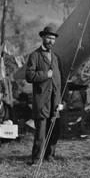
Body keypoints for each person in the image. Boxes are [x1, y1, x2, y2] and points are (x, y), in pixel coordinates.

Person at [25, 25, 65, 164]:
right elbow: (29, 76)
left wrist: (60, 100)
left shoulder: (56, 58)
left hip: (55, 101)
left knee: (54, 131)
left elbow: (60, 81)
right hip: (41, 101)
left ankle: (50, 155)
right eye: (48, 38)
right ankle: (36, 158)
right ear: (42, 37)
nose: (51, 41)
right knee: (41, 133)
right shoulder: (34, 56)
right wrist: (45, 75)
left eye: (53, 39)